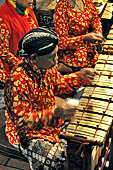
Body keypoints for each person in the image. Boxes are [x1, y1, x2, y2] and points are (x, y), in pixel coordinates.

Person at [4, 27, 98, 170]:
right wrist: (55, 113)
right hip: (26, 134)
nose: (56, 60)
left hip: (51, 123)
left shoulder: (47, 68)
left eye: (56, 54)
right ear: (34, 57)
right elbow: (22, 123)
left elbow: (58, 84)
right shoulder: (17, 81)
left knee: (81, 140)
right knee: (60, 160)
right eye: (51, 56)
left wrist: (79, 76)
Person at [54, 0, 104, 73]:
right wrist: (84, 38)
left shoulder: (86, 2)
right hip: (72, 57)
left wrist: (98, 32)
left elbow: (95, 19)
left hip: (90, 53)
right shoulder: (61, 7)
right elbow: (61, 43)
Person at [0, 0, 39, 84]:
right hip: (13, 69)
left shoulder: (29, 12)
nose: (31, 0)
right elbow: (2, 51)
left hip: (32, 64)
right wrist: (25, 66)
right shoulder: (3, 16)